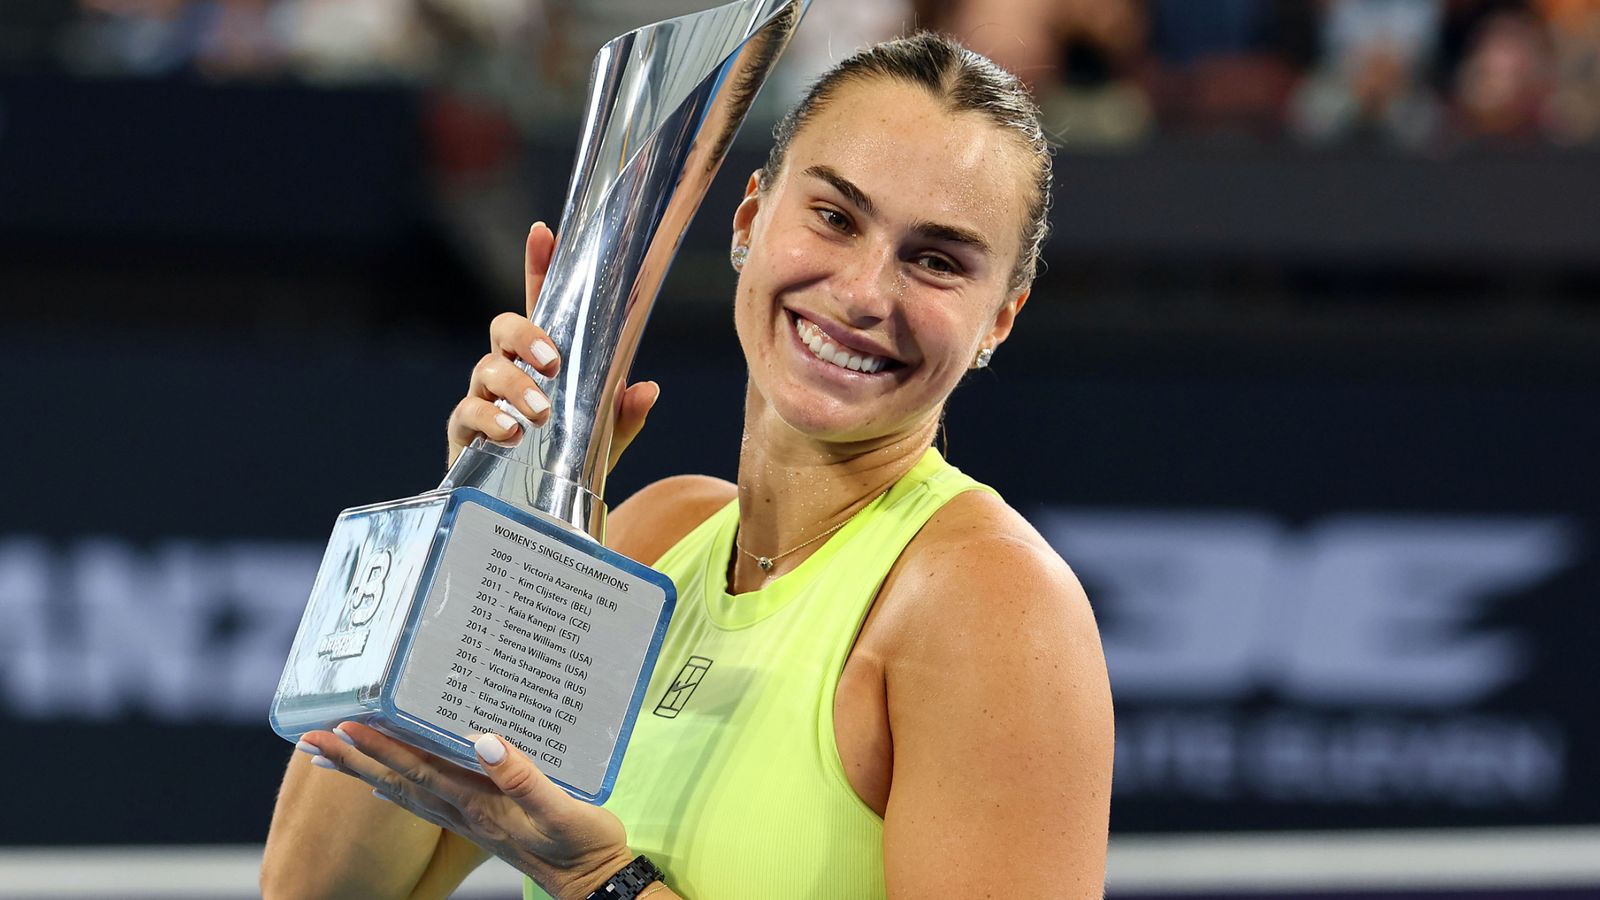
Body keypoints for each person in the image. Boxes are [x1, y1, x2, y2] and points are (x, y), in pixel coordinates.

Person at [261, 32, 1113, 900]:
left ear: (1000, 318)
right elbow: (315, 890)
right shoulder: (648, 537)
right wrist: (481, 515)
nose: (863, 294)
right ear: (749, 219)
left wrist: (598, 879)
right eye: (834, 216)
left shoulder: (993, 605)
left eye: (935, 260)